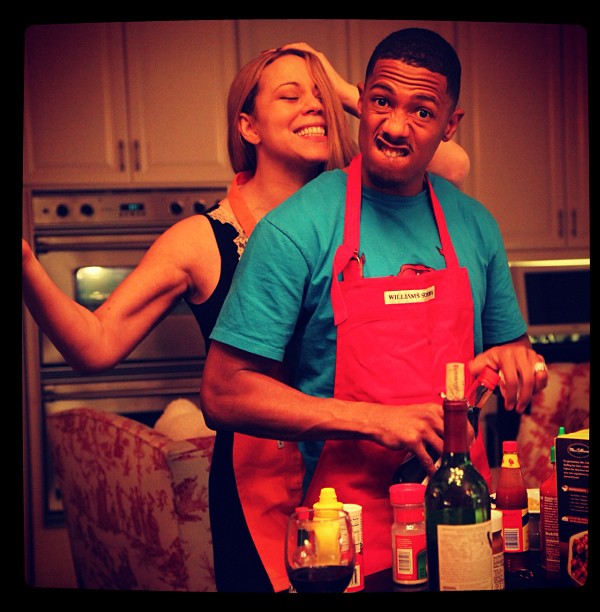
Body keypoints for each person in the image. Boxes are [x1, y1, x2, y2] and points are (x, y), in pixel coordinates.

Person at [21, 44, 470, 592]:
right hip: (257, 488)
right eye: (291, 96)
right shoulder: (202, 240)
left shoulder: (364, 209)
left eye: (321, 97)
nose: (315, 106)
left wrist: (347, 91)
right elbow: (94, 344)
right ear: (248, 126)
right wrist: (25, 264)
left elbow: (452, 162)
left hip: (359, 479)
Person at [202, 27, 549, 592]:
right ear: (360, 102)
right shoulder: (295, 229)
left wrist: (517, 364)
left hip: (461, 523)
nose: (394, 126)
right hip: (342, 535)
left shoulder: (476, 226)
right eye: (383, 101)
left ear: (450, 125)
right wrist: (379, 420)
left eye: (421, 112)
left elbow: (511, 348)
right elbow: (223, 392)